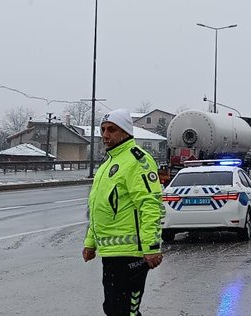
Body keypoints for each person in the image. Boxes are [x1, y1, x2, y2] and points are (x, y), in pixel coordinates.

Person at [82, 109, 164, 316]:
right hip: (111, 254)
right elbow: (98, 209)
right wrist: (90, 243)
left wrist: (151, 246)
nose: (105, 135)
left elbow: (150, 204)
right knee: (113, 310)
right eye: (103, 130)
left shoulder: (138, 161)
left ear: (125, 132)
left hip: (131, 254)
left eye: (111, 130)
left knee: (124, 312)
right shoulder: (108, 163)